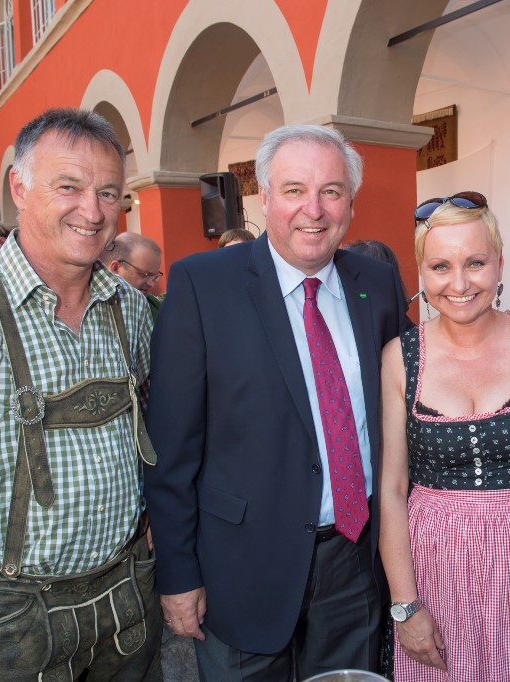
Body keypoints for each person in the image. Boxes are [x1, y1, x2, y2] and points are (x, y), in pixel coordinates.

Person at [0, 108, 162, 681]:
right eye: (69, 187)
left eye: (108, 193)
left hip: (129, 598)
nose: (92, 211)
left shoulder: (130, 308)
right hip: (10, 621)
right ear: (19, 187)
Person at [145, 124, 411, 680]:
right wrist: (178, 573)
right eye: (294, 190)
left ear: (351, 203)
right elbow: (172, 448)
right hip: (241, 568)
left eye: (331, 191)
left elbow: (415, 393)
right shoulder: (202, 285)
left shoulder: (378, 284)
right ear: (264, 197)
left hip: (355, 564)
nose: (313, 210)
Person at [379, 192, 510, 680]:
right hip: (435, 567)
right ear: (422, 272)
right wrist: (405, 607)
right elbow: (391, 488)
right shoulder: (401, 358)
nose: (459, 283)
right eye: (440, 267)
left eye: (475, 263)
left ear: (499, 265)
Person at [103, 231, 165, 319]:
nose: (152, 284)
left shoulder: (156, 308)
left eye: (154, 276)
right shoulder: (94, 308)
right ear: (116, 268)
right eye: (144, 274)